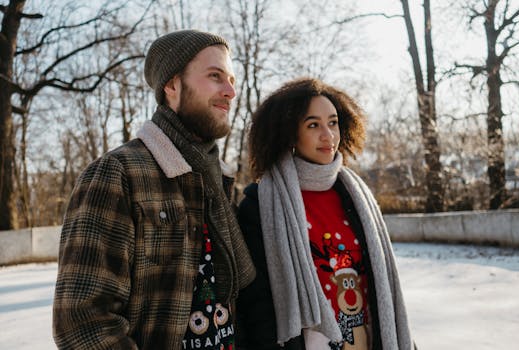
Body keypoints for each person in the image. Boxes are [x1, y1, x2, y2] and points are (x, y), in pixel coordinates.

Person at [53, 29, 256, 349]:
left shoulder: (220, 182)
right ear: (172, 85)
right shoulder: (117, 174)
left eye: (231, 79)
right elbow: (83, 324)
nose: (230, 91)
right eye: (215, 76)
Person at [236, 78, 415, 350]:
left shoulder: (357, 196)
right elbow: (256, 305)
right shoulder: (260, 205)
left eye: (332, 122)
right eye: (313, 125)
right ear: (289, 133)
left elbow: (385, 288)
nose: (328, 135)